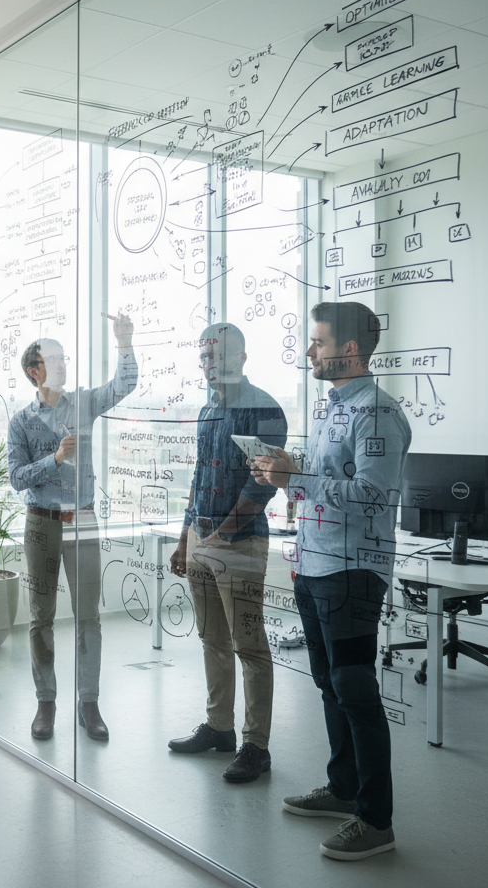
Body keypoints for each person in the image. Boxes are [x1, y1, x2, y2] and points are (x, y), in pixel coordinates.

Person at [253, 301, 410, 861]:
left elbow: (373, 496)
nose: (308, 352)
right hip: (314, 564)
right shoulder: (330, 410)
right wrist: (283, 476)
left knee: (356, 690)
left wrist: (302, 476)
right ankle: (344, 789)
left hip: (352, 571)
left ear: (348, 350)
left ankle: (376, 819)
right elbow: (315, 487)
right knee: (329, 684)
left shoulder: (377, 414)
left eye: (316, 342)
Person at [7, 317, 137, 742]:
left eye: (65, 358)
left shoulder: (83, 403)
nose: (63, 364)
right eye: (54, 359)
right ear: (35, 371)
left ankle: (89, 703)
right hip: (40, 524)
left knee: (88, 617)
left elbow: (123, 386)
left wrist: (124, 343)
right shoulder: (21, 421)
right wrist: (56, 460)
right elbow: (16, 478)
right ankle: (46, 704)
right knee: (40, 618)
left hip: (82, 519)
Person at [168, 324, 286, 782]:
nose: (208, 364)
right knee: (212, 640)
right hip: (201, 538)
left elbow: (262, 484)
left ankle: (256, 746)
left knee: (250, 647)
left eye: (217, 355)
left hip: (240, 541)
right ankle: (219, 728)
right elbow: (198, 479)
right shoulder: (206, 411)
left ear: (240, 355)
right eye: (203, 357)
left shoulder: (265, 407)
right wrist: (185, 539)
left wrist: (222, 534)